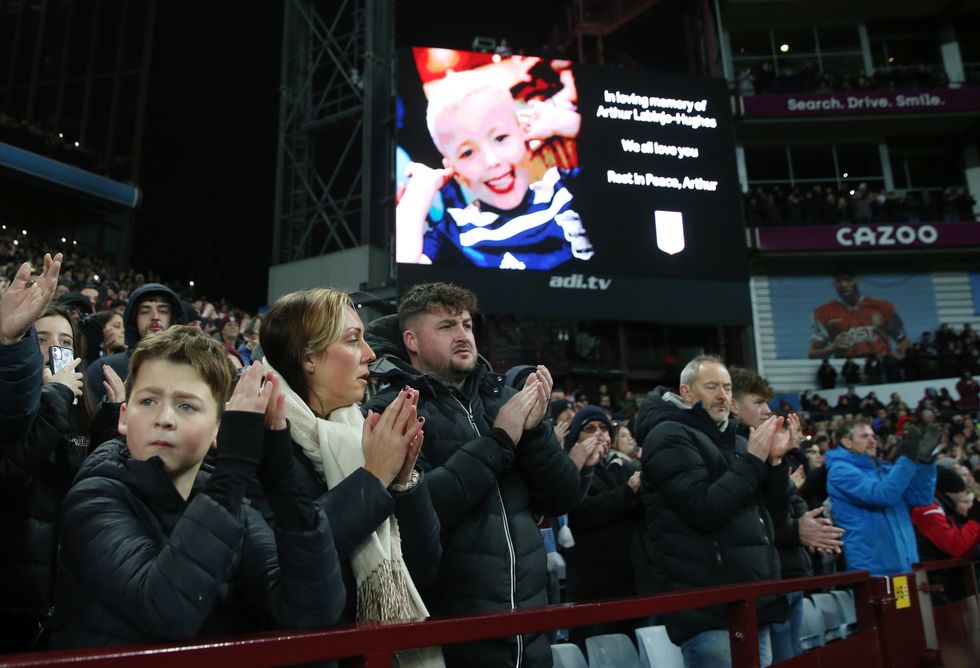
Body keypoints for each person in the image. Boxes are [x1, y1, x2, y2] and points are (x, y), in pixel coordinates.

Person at [50, 327, 346, 646]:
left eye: (186, 406)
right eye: (148, 401)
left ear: (219, 428)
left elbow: (312, 612)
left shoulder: (236, 510)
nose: (164, 418)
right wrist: (233, 470)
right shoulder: (94, 497)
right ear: (123, 417)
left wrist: (282, 483)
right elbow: (163, 612)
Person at [364, 282, 581, 668]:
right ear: (412, 340)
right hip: (453, 638)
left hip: (532, 632)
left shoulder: (505, 401)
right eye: (446, 326)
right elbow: (421, 510)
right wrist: (499, 440)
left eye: (466, 324)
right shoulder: (393, 410)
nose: (463, 335)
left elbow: (563, 497)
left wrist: (533, 434)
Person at [259, 288, 444, 666]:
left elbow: (424, 570)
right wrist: (373, 477)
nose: (370, 353)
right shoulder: (263, 443)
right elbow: (294, 570)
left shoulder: (360, 431)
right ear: (308, 358)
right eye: (352, 340)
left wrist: (404, 482)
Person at [632, 355, 793, 667]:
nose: (723, 395)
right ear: (686, 392)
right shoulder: (667, 436)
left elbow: (771, 518)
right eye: (712, 387)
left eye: (727, 388)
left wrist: (774, 464)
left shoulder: (737, 440)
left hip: (752, 604)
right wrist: (754, 462)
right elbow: (703, 509)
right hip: (709, 610)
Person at [396, 72, 593, 270]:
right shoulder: (456, 233)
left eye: (500, 138)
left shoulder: (565, 189)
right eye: (467, 153)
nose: (492, 162)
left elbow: (609, 161)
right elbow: (406, 271)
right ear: (454, 170)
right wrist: (417, 196)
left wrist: (567, 123)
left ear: (523, 134)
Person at [729, 367, 843, 663]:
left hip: (789, 572)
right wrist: (797, 530)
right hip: (767, 579)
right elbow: (750, 520)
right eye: (758, 402)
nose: (767, 410)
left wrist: (807, 522)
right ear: (734, 405)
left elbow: (791, 499)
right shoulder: (737, 452)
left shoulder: (769, 448)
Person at [561, 406, 646, 647]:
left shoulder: (620, 467)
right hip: (593, 588)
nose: (598, 434)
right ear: (576, 437)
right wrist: (628, 492)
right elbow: (583, 512)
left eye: (603, 428)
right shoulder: (570, 471)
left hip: (630, 582)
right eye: (589, 429)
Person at [825, 422, 939, 575]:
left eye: (873, 436)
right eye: (864, 436)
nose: (872, 441)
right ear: (847, 442)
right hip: (873, 568)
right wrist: (907, 459)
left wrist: (925, 464)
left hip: (906, 563)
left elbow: (920, 498)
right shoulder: (840, 471)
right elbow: (882, 495)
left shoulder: (882, 469)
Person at [82, 282, 187, 415]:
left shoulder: (190, 370)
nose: (155, 317)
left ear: (173, 318)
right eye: (145, 311)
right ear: (133, 319)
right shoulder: (105, 370)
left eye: (163, 311)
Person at [910, 467, 980, 603]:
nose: (962, 495)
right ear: (950, 492)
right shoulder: (928, 510)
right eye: (960, 491)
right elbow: (956, 547)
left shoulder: (944, 508)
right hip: (935, 581)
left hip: (945, 578)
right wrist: (975, 522)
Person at [809, 268, 911, 359]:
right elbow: (813, 354)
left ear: (857, 281)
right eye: (839, 281)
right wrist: (832, 348)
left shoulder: (883, 307)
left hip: (881, 364)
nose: (844, 284)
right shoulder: (823, 313)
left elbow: (903, 340)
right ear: (834, 284)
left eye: (848, 279)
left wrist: (903, 361)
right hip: (848, 366)